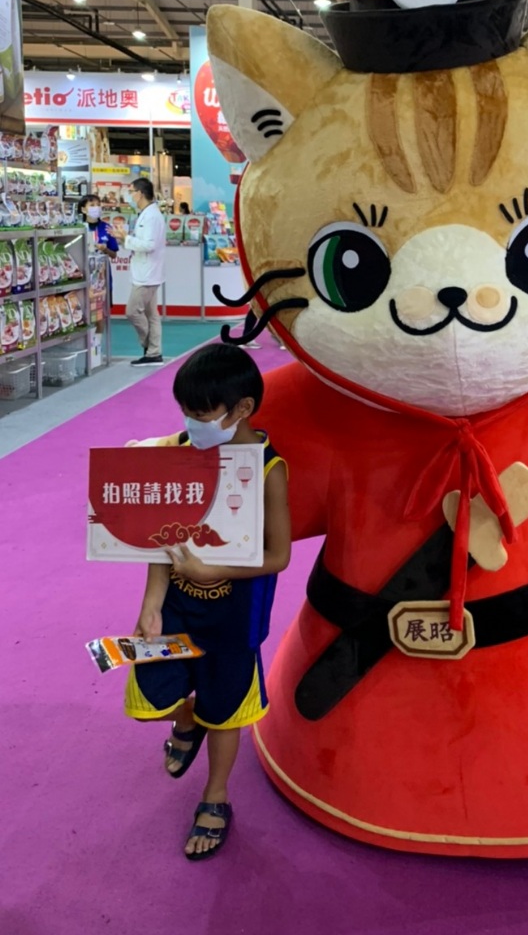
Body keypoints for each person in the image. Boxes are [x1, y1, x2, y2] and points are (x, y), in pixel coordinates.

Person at [125, 343, 292, 860]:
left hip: (234, 619)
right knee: (149, 698)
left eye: (201, 414)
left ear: (242, 409)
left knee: (227, 710)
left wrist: (212, 570)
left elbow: (279, 555)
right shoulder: (178, 452)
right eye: (185, 412)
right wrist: (152, 602)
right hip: (177, 609)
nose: (191, 424)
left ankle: (215, 795)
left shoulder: (268, 469)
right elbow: (163, 538)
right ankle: (186, 717)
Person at [124, 177, 166, 366]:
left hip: (147, 275)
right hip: (147, 272)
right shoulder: (147, 214)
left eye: (131, 191)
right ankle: (154, 352)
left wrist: (126, 239)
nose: (130, 195)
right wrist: (126, 239)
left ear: (140, 193)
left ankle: (150, 346)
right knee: (151, 315)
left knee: (132, 311)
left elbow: (149, 245)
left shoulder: (151, 216)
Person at [78, 193, 118, 260]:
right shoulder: (79, 227)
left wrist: (105, 249)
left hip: (102, 265)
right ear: (83, 209)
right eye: (92, 205)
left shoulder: (107, 227)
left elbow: (114, 255)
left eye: (98, 205)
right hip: (82, 264)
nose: (96, 208)